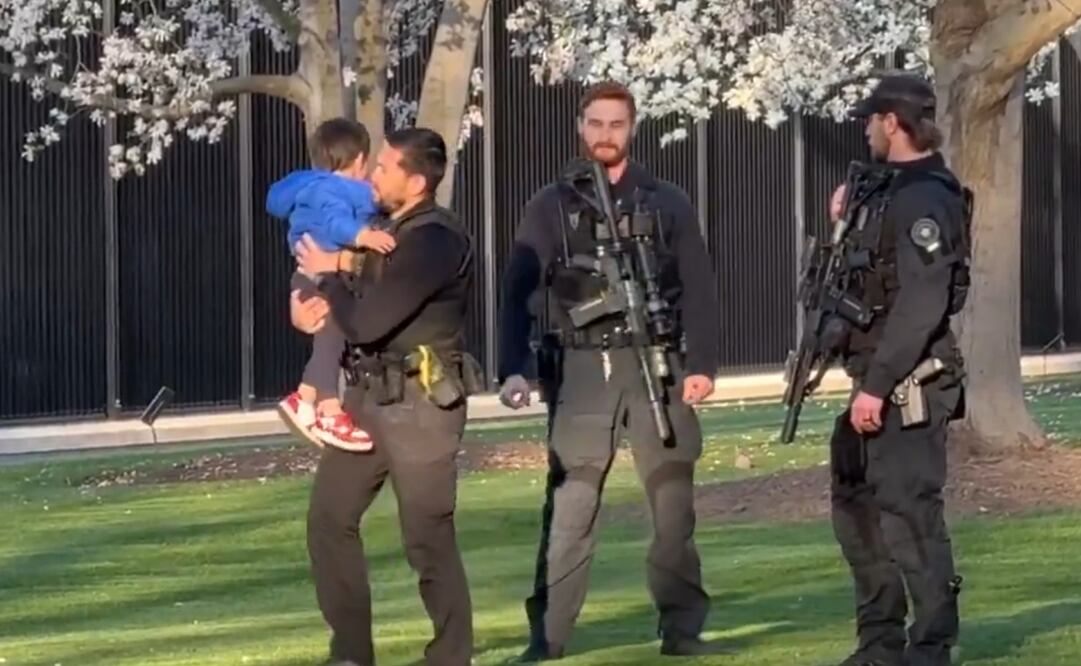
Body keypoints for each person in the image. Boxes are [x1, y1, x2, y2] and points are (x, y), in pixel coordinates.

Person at [497, 80, 723, 660]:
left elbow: (698, 285)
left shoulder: (664, 199)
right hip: (580, 367)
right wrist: (515, 367)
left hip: (657, 363)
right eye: (595, 124)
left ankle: (682, 632)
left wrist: (702, 364)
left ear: (633, 127)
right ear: (580, 127)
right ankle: (547, 639)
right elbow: (519, 290)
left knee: (672, 504)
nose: (605, 135)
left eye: (616, 125)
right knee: (571, 506)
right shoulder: (552, 204)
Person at [291, 127, 479, 666]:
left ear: (416, 181)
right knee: (329, 520)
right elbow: (338, 286)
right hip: (368, 401)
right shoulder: (378, 228)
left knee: (426, 538)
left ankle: (449, 657)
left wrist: (329, 281)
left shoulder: (436, 239)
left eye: (385, 168)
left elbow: (371, 321)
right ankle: (350, 653)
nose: (372, 174)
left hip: (421, 406)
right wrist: (309, 300)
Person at [826, 73, 970, 666]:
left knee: (910, 514)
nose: (864, 129)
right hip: (873, 381)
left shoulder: (926, 197)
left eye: (869, 119)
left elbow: (922, 301)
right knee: (858, 514)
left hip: (908, 384)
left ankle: (930, 647)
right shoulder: (892, 189)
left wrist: (877, 387)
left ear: (892, 122)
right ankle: (880, 643)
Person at [267, 117, 396, 452]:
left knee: (329, 338)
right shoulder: (341, 191)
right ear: (359, 161)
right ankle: (307, 397)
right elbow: (335, 221)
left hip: (305, 271)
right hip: (326, 270)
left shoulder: (305, 186)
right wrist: (364, 234)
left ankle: (328, 410)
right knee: (335, 332)